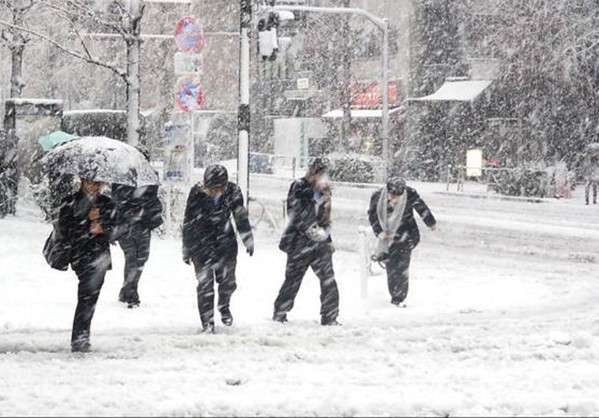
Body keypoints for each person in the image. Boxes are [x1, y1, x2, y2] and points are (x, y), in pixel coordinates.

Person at [182, 164, 254, 333]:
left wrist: (248, 239)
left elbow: (240, 216)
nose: (215, 191)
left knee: (228, 282)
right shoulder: (197, 193)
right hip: (201, 244)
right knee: (205, 285)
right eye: (211, 187)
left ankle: (224, 304)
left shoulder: (233, 191)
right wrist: (186, 248)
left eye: (218, 188)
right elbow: (188, 221)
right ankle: (207, 322)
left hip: (225, 243)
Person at [274, 158, 340, 326]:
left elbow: (325, 218)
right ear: (314, 173)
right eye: (323, 176)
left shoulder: (325, 193)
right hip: (299, 243)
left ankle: (330, 316)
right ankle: (280, 313)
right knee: (293, 280)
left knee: (328, 280)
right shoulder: (299, 186)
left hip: (320, 244)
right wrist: (311, 230)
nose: (326, 180)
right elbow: (295, 213)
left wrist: (327, 238)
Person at [56, 178, 118, 352]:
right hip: (80, 255)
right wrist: (86, 222)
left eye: (99, 183)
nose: (95, 187)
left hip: (100, 256)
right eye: (91, 182)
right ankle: (80, 337)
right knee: (86, 296)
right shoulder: (70, 202)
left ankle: (81, 335)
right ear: (83, 181)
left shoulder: (107, 203)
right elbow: (65, 230)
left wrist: (103, 227)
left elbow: (117, 229)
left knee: (90, 297)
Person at [368, 178, 436, 307]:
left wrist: (430, 222)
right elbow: (372, 215)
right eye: (392, 194)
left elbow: (421, 207)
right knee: (391, 268)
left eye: (398, 195)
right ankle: (394, 294)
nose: (395, 198)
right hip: (387, 238)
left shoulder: (409, 194)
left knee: (402, 267)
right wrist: (379, 232)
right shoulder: (377, 197)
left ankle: (399, 298)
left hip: (406, 235)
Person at [112, 183, 163, 308]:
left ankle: (126, 290)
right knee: (132, 258)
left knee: (141, 259)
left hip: (143, 225)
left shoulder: (148, 181)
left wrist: (147, 211)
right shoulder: (122, 179)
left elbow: (154, 202)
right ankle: (131, 294)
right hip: (126, 226)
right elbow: (117, 202)